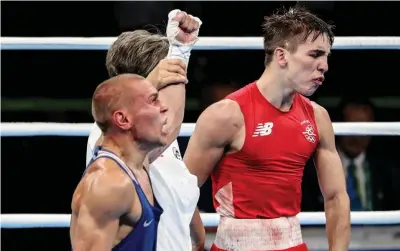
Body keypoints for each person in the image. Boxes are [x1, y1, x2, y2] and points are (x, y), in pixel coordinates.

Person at [185, 6, 350, 251]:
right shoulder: (227, 115)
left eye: (326, 56)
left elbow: (336, 197)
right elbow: (181, 192)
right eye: (315, 54)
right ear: (282, 56)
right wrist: (197, 243)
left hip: (293, 244)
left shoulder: (317, 117)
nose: (324, 66)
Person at [86, 10, 206, 251]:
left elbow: (176, 183)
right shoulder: (113, 133)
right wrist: (180, 52)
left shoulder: (154, 127)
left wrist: (196, 235)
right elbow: (169, 127)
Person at [71, 74, 168, 251]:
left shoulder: (136, 166)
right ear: (123, 119)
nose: (164, 107)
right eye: (153, 101)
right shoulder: (108, 183)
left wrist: (179, 53)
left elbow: (174, 120)